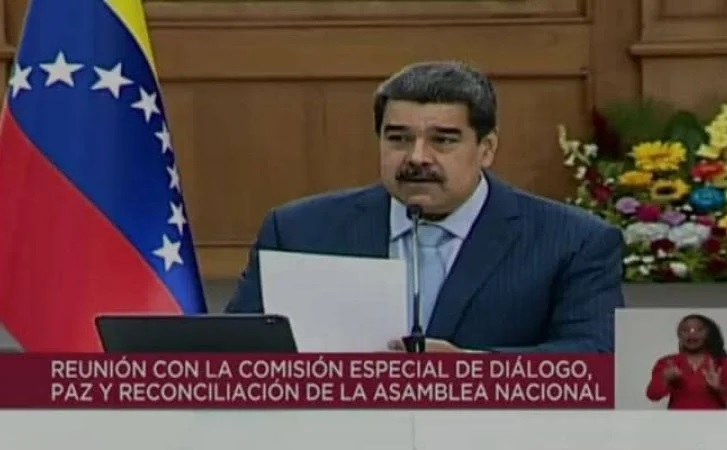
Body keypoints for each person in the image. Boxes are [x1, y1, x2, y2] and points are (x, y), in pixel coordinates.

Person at [224, 60, 625, 353]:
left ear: (486, 149)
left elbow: (596, 355)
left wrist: (471, 368)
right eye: (398, 138)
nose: (417, 157)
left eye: (443, 140)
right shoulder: (299, 231)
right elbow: (233, 353)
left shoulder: (572, 241)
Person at [646, 314, 727, 409]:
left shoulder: (722, 361)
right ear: (679, 335)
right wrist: (665, 380)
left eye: (699, 330)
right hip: (677, 421)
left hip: (714, 421)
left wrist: (719, 387)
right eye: (685, 330)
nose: (692, 334)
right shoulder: (667, 362)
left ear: (708, 334)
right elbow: (652, 395)